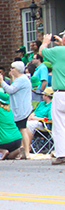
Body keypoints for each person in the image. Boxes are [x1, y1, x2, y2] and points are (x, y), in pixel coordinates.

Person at [0, 61, 32, 159]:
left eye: (12, 68)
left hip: (22, 109)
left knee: (22, 130)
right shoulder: (19, 79)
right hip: (20, 108)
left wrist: (1, 81)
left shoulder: (22, 80)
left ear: (17, 69)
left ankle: (26, 152)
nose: (11, 70)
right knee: (20, 130)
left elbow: (10, 90)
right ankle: (22, 151)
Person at [40, 33, 65, 165]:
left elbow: (42, 52)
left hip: (61, 92)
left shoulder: (58, 51)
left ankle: (62, 154)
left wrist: (45, 41)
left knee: (59, 125)